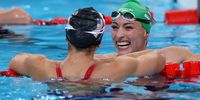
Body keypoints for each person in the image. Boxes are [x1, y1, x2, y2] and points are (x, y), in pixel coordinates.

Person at [8, 7, 165, 83]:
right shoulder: (116, 68)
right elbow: (158, 58)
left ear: (67, 38)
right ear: (98, 43)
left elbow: (16, 60)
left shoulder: (39, 66)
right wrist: (108, 58)